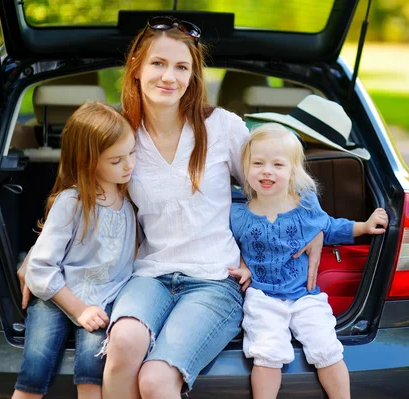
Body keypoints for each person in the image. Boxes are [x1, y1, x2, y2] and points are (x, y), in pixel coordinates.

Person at [96, 16, 324, 399]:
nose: (169, 76)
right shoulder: (121, 133)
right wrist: (36, 255)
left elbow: (279, 175)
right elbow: (81, 194)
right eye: (158, 64)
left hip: (216, 280)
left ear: (193, 76)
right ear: (136, 68)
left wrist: (312, 225)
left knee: (154, 380)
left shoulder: (222, 128)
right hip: (149, 274)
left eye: (181, 67)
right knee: (122, 345)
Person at [229, 123, 389, 399]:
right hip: (263, 297)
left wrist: (364, 226)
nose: (267, 170)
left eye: (278, 164)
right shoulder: (237, 214)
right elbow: (227, 244)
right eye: (258, 163)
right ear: (245, 168)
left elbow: (329, 227)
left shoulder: (304, 205)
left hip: (305, 295)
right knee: (266, 354)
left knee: (326, 349)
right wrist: (242, 263)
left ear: (292, 172)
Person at [12, 101, 137, 399]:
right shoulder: (73, 201)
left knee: (92, 374)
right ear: (88, 161)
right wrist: (79, 310)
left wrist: (93, 309)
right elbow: (41, 268)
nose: (129, 165)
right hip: (57, 294)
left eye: (132, 153)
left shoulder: (131, 197)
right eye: (117, 160)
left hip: (103, 299)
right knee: (35, 368)